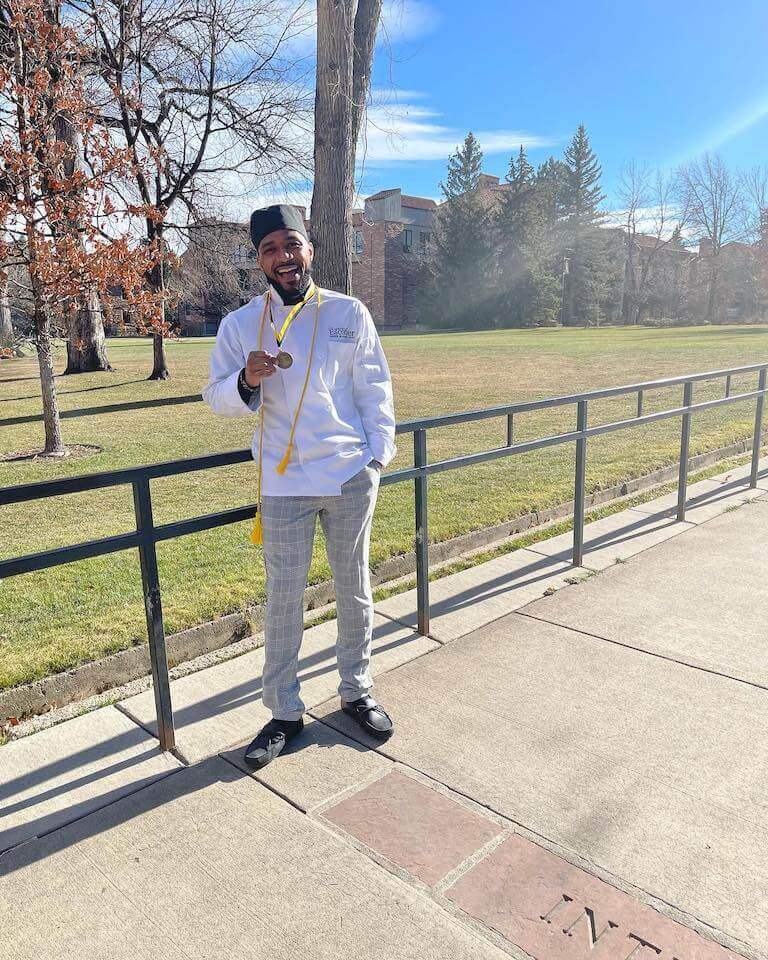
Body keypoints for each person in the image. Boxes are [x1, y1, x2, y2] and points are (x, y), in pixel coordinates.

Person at [202, 204, 397, 769]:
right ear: (259, 259)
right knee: (284, 601)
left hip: (347, 476)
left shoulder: (348, 313)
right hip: (282, 485)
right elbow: (214, 396)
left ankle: (356, 691)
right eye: (270, 249)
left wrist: (377, 457)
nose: (283, 258)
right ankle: (284, 712)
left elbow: (374, 388)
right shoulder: (241, 325)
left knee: (354, 587)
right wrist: (245, 380)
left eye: (291, 245)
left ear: (309, 247)